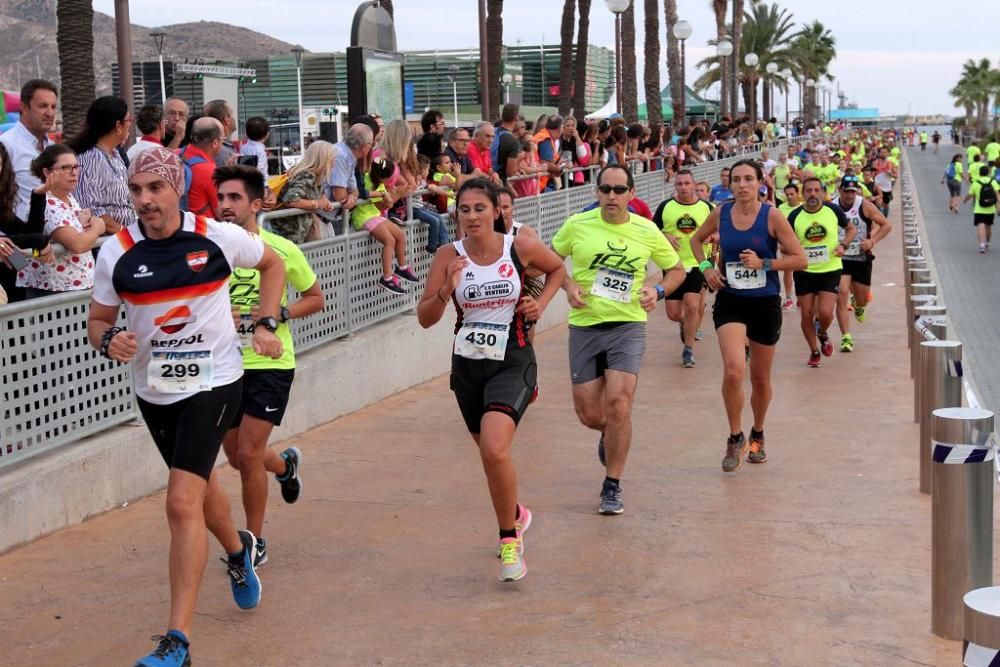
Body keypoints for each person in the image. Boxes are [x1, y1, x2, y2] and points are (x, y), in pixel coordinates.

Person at [87, 146, 287, 667]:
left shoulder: (215, 235)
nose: (145, 200)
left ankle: (177, 641)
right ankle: (239, 553)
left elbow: (273, 265)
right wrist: (109, 340)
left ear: (176, 187)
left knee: (179, 501)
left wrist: (266, 322)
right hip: (154, 391)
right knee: (200, 489)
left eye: (155, 189)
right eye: (136, 191)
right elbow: (97, 321)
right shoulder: (116, 252)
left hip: (216, 382)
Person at [417, 177, 566, 582]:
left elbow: (557, 270)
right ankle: (516, 512)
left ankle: (508, 540)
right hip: (467, 368)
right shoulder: (448, 254)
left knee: (495, 450)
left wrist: (541, 302)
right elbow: (426, 318)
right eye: (464, 210)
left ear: (497, 211)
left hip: (513, 359)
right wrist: (446, 288)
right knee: (488, 454)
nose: (471, 216)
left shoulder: (518, 247)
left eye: (479, 208)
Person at [552, 164, 685, 514]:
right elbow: (550, 262)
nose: (612, 196)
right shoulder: (577, 225)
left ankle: (612, 484)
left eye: (619, 190)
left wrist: (657, 290)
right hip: (585, 325)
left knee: (619, 405)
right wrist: (568, 285)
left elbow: (677, 270)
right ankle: (609, 434)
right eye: (606, 189)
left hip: (627, 325)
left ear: (631, 194)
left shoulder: (646, 229)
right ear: (597, 192)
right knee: (589, 413)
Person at [215, 165, 324, 567]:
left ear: (256, 205)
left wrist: (278, 313)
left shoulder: (281, 250)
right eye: (221, 198)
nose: (225, 206)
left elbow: (315, 297)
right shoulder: (209, 251)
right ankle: (285, 466)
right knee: (238, 457)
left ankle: (255, 540)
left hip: (270, 361)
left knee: (246, 454)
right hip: (223, 363)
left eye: (235, 198)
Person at [691, 160, 807, 472]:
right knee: (733, 371)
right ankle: (735, 436)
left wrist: (765, 264)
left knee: (760, 377)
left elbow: (800, 259)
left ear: (760, 183)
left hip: (765, 302)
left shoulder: (772, 216)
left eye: (748, 180)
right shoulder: (721, 213)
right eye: (736, 180)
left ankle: (758, 432)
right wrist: (706, 268)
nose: (742, 185)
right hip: (731, 299)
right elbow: (695, 241)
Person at [15, 144, 105, 299]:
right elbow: (77, 244)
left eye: (76, 167)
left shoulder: (68, 197)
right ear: (47, 172)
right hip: (54, 292)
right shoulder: (48, 203)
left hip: (76, 288)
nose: (74, 172)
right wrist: (97, 228)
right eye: (66, 167)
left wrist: (86, 225)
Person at [787, 177, 856, 367]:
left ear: (822, 192)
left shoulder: (832, 210)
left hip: (830, 269)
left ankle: (822, 332)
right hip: (804, 271)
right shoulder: (794, 216)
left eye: (816, 190)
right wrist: (792, 252)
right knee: (807, 314)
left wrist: (844, 244)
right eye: (808, 191)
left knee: (826, 312)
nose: (812, 194)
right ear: (803, 193)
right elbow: (784, 244)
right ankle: (814, 351)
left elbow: (851, 229)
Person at [651, 169, 713, 368]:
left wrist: (713, 238)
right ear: (675, 186)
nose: (683, 187)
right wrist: (665, 236)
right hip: (672, 265)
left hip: (697, 262)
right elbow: (652, 231)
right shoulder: (665, 207)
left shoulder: (706, 207)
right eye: (679, 184)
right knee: (673, 313)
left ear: (694, 185)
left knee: (693, 305)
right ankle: (686, 324)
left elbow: (719, 230)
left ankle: (688, 349)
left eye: (687, 183)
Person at [832, 174, 892, 352]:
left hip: (860, 257)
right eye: (846, 191)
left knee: (863, 299)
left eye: (853, 191)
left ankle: (858, 305)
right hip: (840, 257)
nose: (850, 194)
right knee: (841, 294)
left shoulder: (863, 205)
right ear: (840, 190)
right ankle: (846, 337)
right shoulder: (832, 206)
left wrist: (872, 241)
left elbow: (886, 225)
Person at [67, 96, 135, 233]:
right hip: (106, 243)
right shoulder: (90, 158)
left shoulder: (115, 154)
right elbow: (89, 209)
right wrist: (124, 232)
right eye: (129, 120)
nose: (131, 124)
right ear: (118, 126)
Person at [351, 157, 418, 293]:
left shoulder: (378, 182)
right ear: (381, 176)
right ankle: (387, 278)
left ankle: (402, 268)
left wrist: (394, 194)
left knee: (400, 234)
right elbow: (382, 206)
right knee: (389, 240)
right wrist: (397, 195)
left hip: (373, 215)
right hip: (363, 216)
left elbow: (385, 202)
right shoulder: (370, 183)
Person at [0, 142, 53, 303]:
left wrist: (38, 195)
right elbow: (32, 239)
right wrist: (40, 242)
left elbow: (27, 234)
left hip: (11, 292)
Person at [0, 79, 57, 221]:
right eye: (43, 106)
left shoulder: (54, 148)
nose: (50, 113)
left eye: (53, 106)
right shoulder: (6, 144)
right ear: (24, 108)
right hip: (20, 238)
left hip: (60, 235)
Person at [275, 140, 337, 243]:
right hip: (288, 235)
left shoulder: (315, 176)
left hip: (297, 233)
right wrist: (317, 204)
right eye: (332, 159)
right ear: (323, 160)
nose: (334, 163)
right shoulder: (307, 175)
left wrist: (325, 202)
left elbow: (319, 193)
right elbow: (291, 199)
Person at [177, 117, 226, 219]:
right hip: (203, 229)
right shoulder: (209, 171)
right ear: (215, 143)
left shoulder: (175, 154)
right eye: (223, 140)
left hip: (179, 224)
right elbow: (222, 214)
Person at [327, 123, 373, 220]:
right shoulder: (340, 155)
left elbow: (354, 190)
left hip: (325, 218)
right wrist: (352, 196)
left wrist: (352, 196)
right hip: (316, 219)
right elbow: (340, 197)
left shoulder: (349, 156)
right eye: (371, 144)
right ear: (365, 147)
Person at [964, 164, 1000, 253]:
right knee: (988, 226)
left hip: (979, 209)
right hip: (991, 209)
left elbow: (970, 194)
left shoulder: (976, 183)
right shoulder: (993, 181)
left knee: (981, 226)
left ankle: (982, 245)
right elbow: (997, 194)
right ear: (988, 173)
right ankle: (987, 243)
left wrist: (965, 200)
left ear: (979, 173)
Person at [492, 103, 522, 184]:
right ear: (516, 118)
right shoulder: (512, 141)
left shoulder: (491, 131)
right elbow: (510, 172)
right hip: (498, 182)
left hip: (483, 177)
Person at [203, 99, 238, 168]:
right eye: (232, 114)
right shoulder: (221, 152)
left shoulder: (215, 145)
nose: (234, 118)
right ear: (226, 119)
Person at [239, 116, 270, 181]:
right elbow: (259, 170)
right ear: (267, 134)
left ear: (247, 134)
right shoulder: (260, 151)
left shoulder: (243, 148)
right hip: (259, 185)